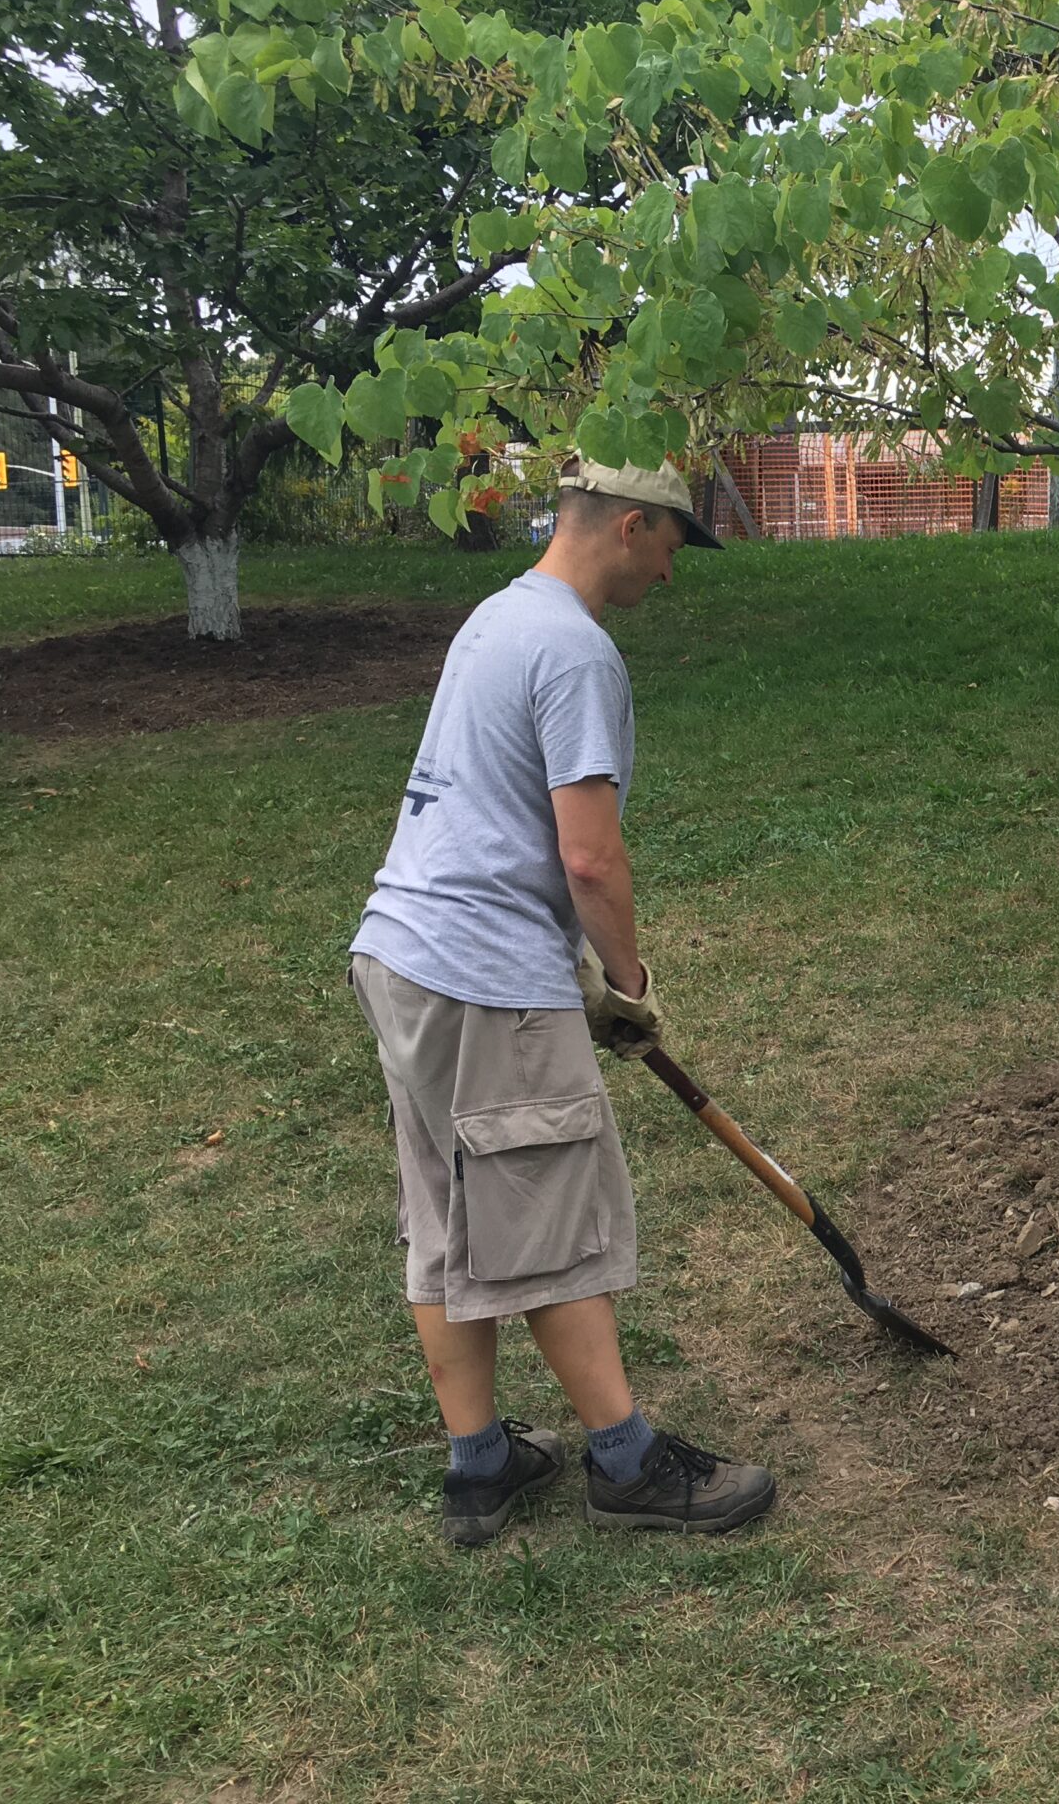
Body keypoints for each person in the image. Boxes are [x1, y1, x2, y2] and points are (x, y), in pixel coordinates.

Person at [348, 455, 776, 1548]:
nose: (672, 577)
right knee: (546, 1219)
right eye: (674, 547)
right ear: (631, 526)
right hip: (481, 976)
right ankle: (627, 1464)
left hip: (402, 952)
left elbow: (490, 813)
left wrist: (571, 971)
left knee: (449, 1213)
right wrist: (629, 988)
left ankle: (480, 1467)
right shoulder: (578, 650)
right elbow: (589, 859)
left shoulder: (498, 615)